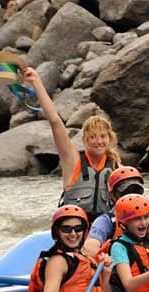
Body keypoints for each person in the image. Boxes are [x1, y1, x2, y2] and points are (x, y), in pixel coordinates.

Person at [29, 204, 149, 292]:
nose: (73, 234)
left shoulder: (85, 258)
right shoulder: (58, 261)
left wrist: (106, 272)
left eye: (78, 229)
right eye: (67, 229)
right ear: (57, 232)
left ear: (84, 231)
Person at [22, 67, 120, 219]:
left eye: (102, 136)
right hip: (74, 231)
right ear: (85, 140)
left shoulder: (116, 167)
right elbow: (55, 121)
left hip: (103, 230)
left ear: (110, 138)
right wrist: (36, 81)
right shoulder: (72, 160)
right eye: (92, 137)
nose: (98, 141)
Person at [82, 165, 149, 257]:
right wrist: (115, 256)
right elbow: (89, 249)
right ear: (113, 196)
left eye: (136, 192)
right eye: (126, 192)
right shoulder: (106, 221)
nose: (131, 197)